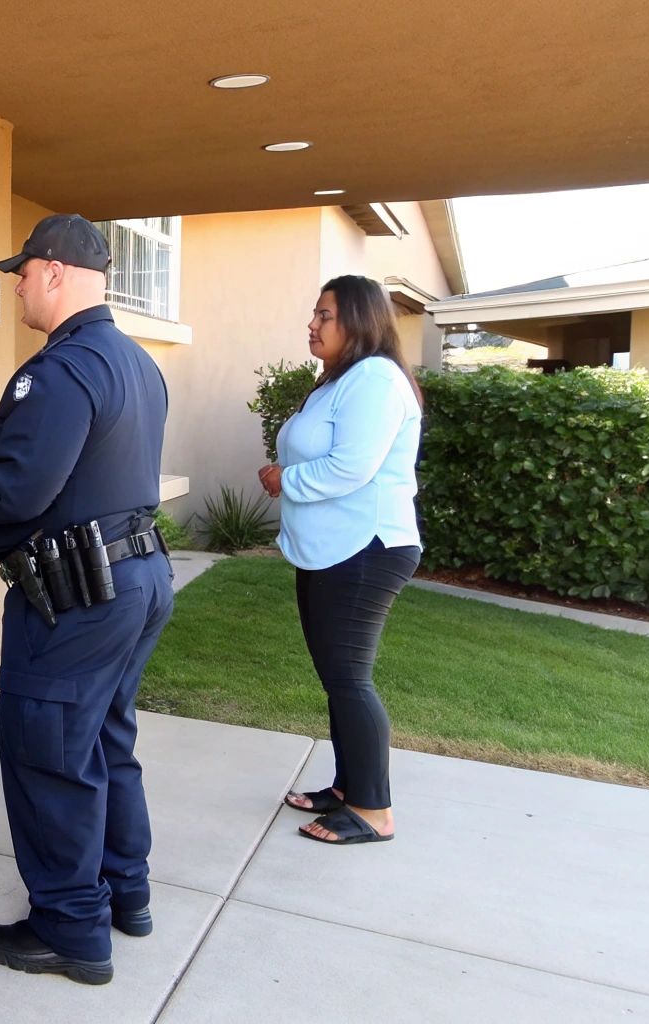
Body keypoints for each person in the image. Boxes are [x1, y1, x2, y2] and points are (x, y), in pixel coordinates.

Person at [0, 214, 173, 985]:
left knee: (49, 754)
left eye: (23, 270)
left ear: (54, 272)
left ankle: (70, 930)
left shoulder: (56, 372)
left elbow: (15, 493)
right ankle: (127, 893)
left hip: (76, 599)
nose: (16, 283)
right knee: (106, 740)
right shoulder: (137, 364)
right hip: (133, 580)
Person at [258, 274, 423, 846]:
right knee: (338, 677)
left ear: (359, 320)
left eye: (325, 315)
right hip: (333, 548)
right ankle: (349, 788)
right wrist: (288, 475)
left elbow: (354, 466)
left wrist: (287, 478)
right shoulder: (340, 381)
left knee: (349, 679)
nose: (312, 323)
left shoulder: (375, 379)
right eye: (315, 313)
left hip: (366, 548)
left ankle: (374, 811)